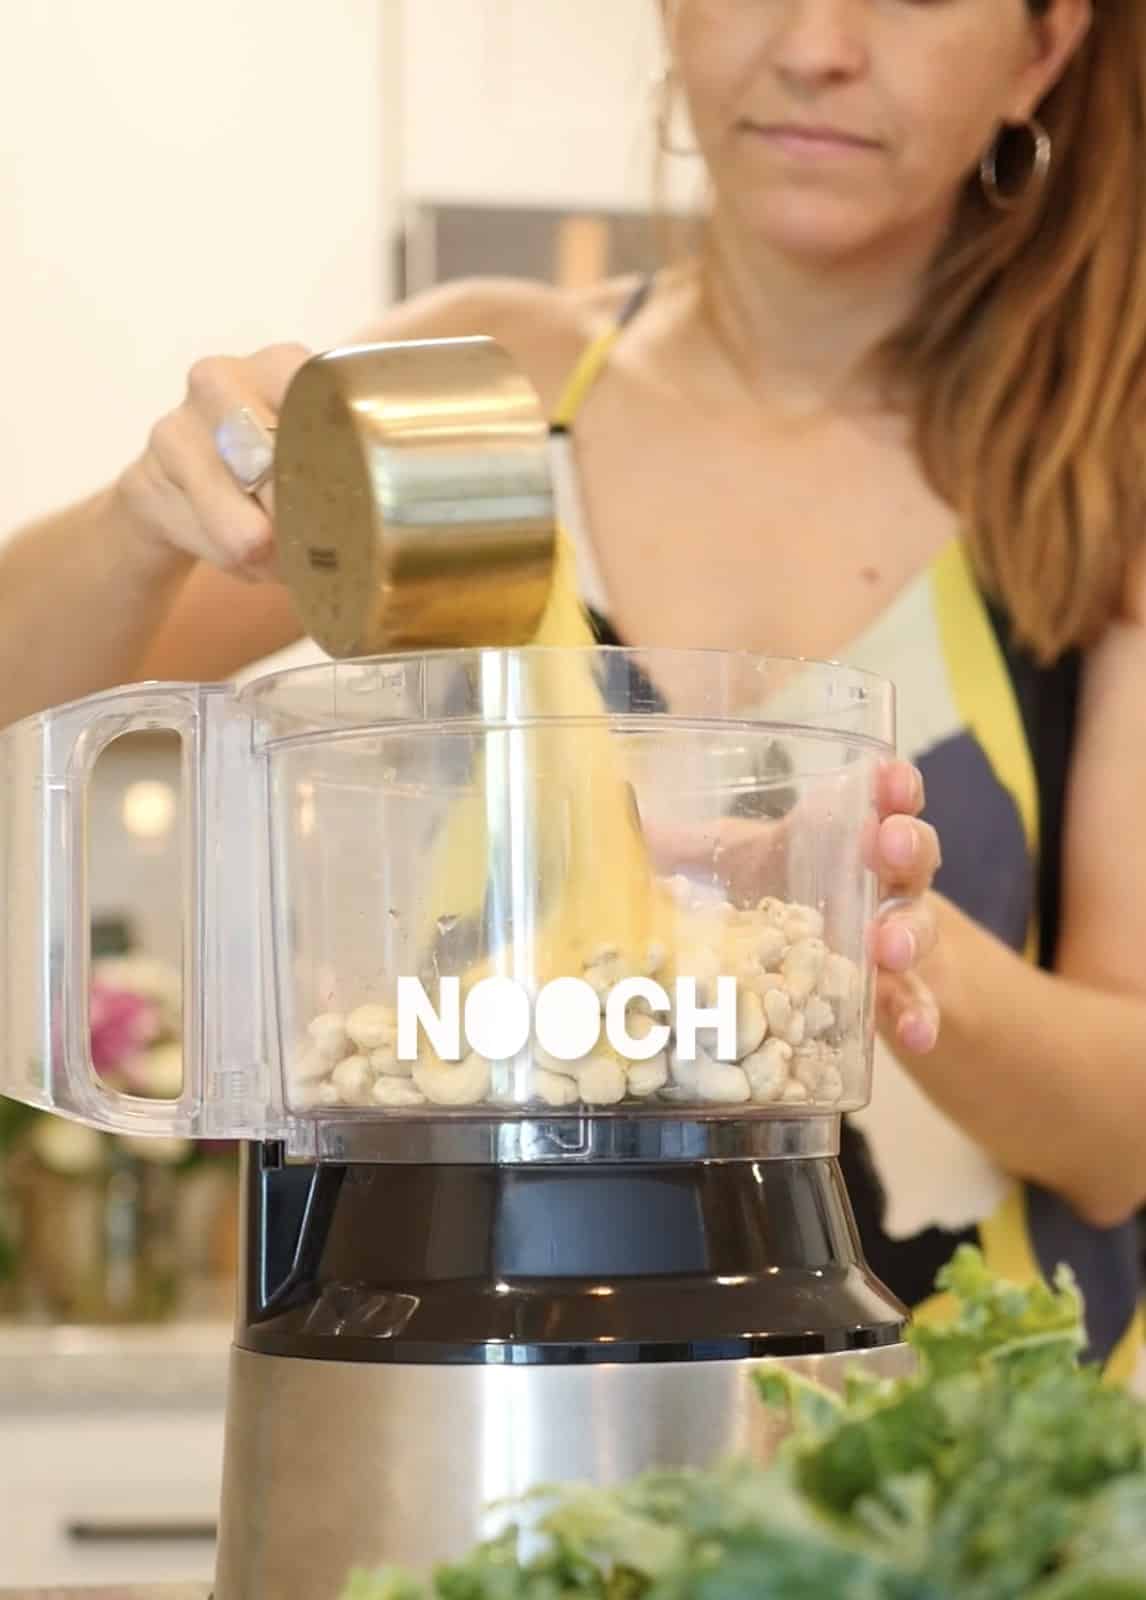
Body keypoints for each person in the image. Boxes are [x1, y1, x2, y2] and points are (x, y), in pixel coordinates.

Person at [2, 0, 1143, 1376]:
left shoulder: (1100, 469)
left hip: (946, 1480)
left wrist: (864, 928)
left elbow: (1114, 1142)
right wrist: (140, 521)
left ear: (1045, 43)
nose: (817, 44)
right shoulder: (483, 400)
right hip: (482, 1421)